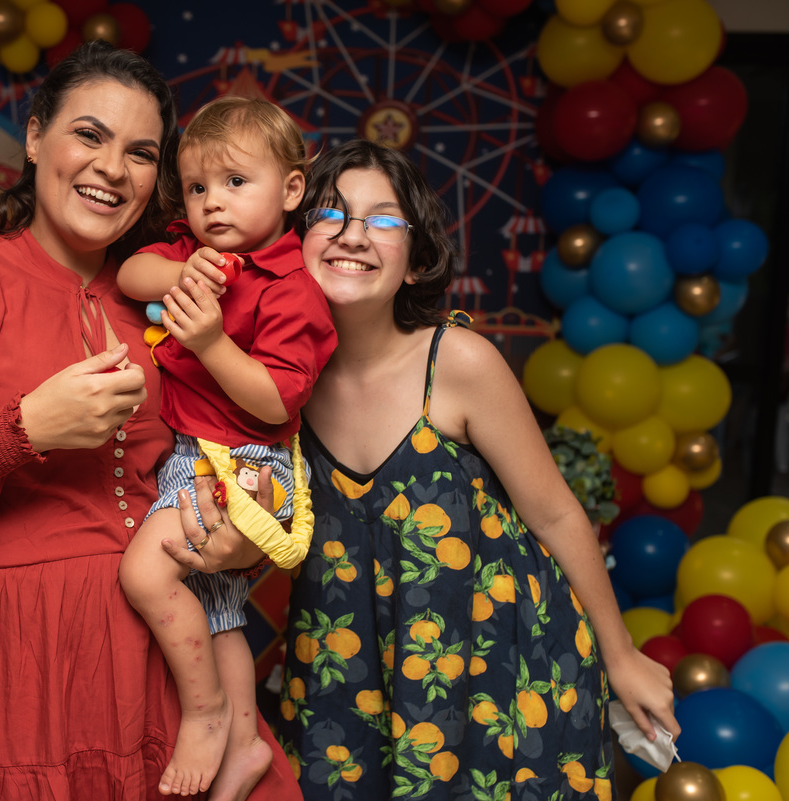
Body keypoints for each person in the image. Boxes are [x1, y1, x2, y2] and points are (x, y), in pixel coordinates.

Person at [0, 42, 302, 801]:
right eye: (89, 135)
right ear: (36, 136)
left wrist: (238, 544)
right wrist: (22, 429)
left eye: (141, 153)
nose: (113, 168)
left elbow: (241, 445)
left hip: (168, 653)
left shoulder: (172, 299)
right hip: (11, 658)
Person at [163, 139, 679, 799]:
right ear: (293, 241)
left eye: (383, 220)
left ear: (416, 262)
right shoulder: (265, 385)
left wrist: (622, 655)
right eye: (330, 214)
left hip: (499, 667)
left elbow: (554, 513)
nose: (353, 235)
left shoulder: (458, 361)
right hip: (347, 671)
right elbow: (267, 519)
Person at [116, 97, 335, 800]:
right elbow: (130, 274)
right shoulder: (196, 252)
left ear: (291, 189)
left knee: (145, 576)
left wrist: (210, 342)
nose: (212, 202)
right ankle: (244, 744)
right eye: (198, 186)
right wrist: (181, 275)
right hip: (198, 454)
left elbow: (276, 400)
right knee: (218, 611)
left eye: (236, 182)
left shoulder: (292, 288)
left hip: (245, 464)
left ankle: (206, 711)